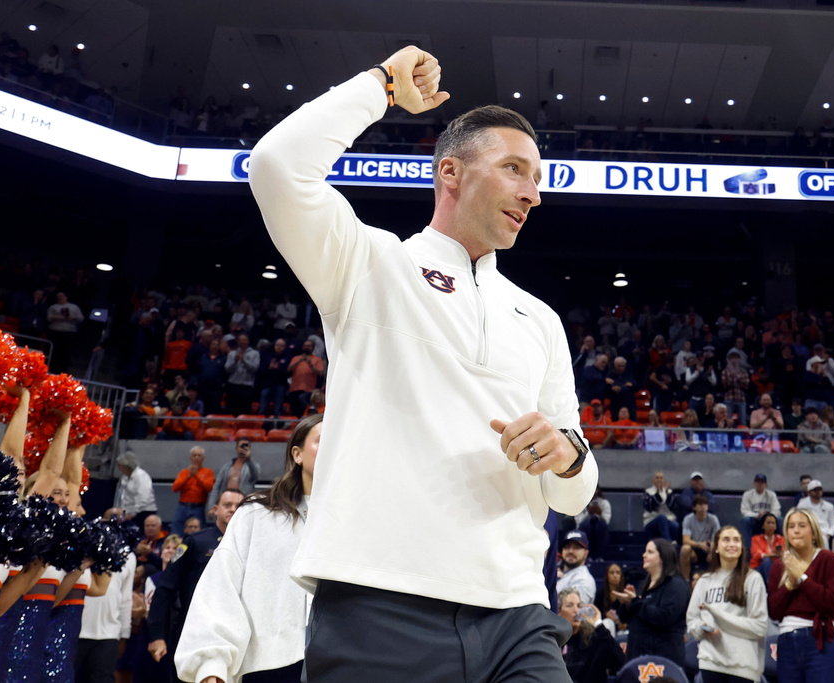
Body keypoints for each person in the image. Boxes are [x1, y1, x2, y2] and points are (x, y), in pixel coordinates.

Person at [248, 45, 597, 682]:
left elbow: (574, 490)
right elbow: (275, 165)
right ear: (450, 173)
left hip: (518, 613)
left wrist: (567, 454)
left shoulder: (540, 319)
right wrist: (380, 87)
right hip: (378, 605)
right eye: (515, 169)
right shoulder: (369, 266)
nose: (532, 194)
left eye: (538, 180)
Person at [175, 414, 323, 682]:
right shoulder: (257, 514)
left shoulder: (357, 523)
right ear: (297, 454)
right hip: (269, 664)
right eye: (322, 441)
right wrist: (212, 666)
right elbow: (222, 585)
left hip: (342, 664)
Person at [147, 488, 245, 673]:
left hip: (237, 632)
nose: (233, 509)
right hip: (194, 629)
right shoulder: (195, 542)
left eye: (238, 506)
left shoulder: (251, 545)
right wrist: (157, 635)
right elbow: (165, 588)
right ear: (215, 509)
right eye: (227, 505)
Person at [767, 508, 834, 683]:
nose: (795, 530)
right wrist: (789, 586)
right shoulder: (779, 566)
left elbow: (833, 604)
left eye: (802, 525)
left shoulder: (828, 559)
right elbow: (774, 611)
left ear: (813, 531)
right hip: (787, 642)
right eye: (791, 526)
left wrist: (802, 579)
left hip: (821, 640)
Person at [687, 526, 769, 683]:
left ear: (741, 548)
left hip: (743, 665)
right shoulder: (705, 581)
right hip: (711, 662)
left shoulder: (753, 579)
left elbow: (760, 627)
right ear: (716, 547)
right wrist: (703, 629)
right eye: (726, 540)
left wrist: (719, 617)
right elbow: (692, 621)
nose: (732, 544)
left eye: (736, 540)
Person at [77, 512, 136, 683]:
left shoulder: (128, 557)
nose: (114, 523)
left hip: (109, 633)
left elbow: (126, 598)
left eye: (119, 520)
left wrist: (124, 634)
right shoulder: (82, 551)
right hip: (77, 628)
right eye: (110, 518)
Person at [613, 538, 689, 666]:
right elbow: (627, 618)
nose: (644, 555)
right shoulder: (646, 585)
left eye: (650, 552)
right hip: (639, 656)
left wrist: (635, 602)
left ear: (663, 557)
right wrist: (627, 604)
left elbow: (665, 617)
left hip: (662, 660)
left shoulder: (676, 585)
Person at [558, 588, 624, 683]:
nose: (576, 610)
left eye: (579, 606)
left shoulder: (595, 637)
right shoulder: (554, 641)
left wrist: (599, 625)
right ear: (558, 612)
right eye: (569, 606)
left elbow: (619, 662)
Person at [171, 446, 215, 536]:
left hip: (198, 507)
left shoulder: (208, 472)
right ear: (190, 458)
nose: (196, 458)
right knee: (177, 531)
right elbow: (175, 488)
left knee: (198, 533)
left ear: (203, 458)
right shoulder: (184, 472)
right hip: (182, 506)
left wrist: (196, 476)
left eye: (199, 455)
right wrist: (188, 476)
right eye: (194, 455)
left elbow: (209, 488)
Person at [209, 439, 262, 509]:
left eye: (246, 446)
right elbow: (217, 487)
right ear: (236, 448)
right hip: (226, 501)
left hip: (242, 503)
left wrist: (249, 459)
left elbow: (255, 476)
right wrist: (211, 507)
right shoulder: (227, 466)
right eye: (242, 446)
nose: (244, 448)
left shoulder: (253, 466)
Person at [680, 494, 722, 579]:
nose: (703, 507)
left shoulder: (713, 519)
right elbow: (686, 540)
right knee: (685, 549)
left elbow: (718, 538)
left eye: (705, 504)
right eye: (699, 505)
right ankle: (685, 580)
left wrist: (712, 547)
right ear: (694, 507)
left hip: (708, 549)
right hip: (694, 549)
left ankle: (716, 579)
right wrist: (699, 544)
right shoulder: (688, 519)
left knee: (718, 550)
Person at [739, 473, 781, 548]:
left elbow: (776, 510)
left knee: (780, 520)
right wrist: (757, 515)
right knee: (745, 521)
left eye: (762, 482)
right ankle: (747, 551)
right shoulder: (747, 494)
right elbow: (744, 511)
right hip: (755, 521)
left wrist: (767, 515)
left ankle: (782, 547)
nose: (760, 484)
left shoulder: (771, 495)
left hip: (768, 520)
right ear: (754, 483)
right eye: (758, 482)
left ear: (766, 484)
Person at [113, 451, 157, 521]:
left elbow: (143, 498)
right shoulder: (125, 477)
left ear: (126, 466)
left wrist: (132, 514)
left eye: (120, 465)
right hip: (127, 512)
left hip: (143, 512)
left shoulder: (141, 476)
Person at [555, 531, 596, 605]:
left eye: (576, 548)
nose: (571, 551)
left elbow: (572, 612)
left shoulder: (584, 580)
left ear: (586, 553)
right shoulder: (558, 574)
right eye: (567, 547)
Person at [643, 471, 682, 542]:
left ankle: (674, 543)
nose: (659, 480)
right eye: (657, 478)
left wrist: (667, 494)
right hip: (651, 520)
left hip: (668, 520)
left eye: (661, 478)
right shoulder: (648, 492)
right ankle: (668, 542)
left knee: (675, 525)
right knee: (662, 518)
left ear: (664, 480)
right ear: (653, 480)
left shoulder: (669, 492)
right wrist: (658, 494)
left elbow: (674, 507)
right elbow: (650, 507)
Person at [750, 512, 785, 585]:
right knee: (766, 561)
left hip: (776, 568)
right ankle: (772, 586)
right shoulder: (756, 539)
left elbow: (784, 554)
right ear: (763, 525)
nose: (771, 526)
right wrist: (774, 555)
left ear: (776, 526)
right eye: (768, 523)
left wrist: (779, 554)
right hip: (758, 569)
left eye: (773, 523)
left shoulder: (782, 539)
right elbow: (757, 555)